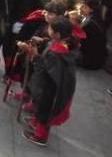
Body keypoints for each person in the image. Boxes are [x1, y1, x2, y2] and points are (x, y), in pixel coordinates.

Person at [22, 17, 77, 146]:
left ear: (57, 34)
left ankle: (40, 136)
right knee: (41, 108)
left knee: (44, 111)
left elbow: (43, 67)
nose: (48, 29)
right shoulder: (63, 45)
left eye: (50, 28)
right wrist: (42, 41)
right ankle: (35, 122)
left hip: (48, 88)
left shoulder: (55, 53)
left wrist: (35, 55)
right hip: (50, 85)